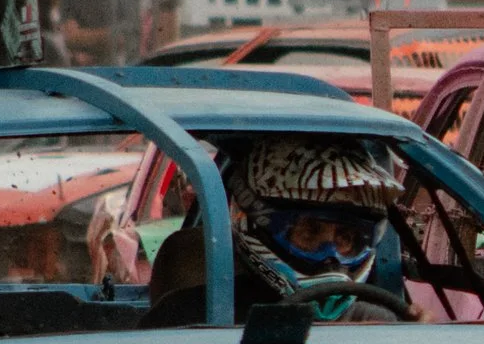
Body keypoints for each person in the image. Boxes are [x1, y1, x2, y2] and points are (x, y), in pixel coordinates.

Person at [144, 137, 410, 327]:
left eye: (345, 238)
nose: (330, 256)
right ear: (258, 226)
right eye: (309, 233)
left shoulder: (375, 322)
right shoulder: (188, 316)